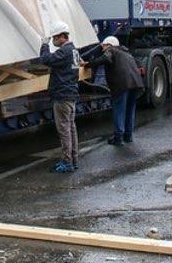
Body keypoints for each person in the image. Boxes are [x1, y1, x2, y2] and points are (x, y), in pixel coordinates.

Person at [39, 20, 82, 173]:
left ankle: (67, 161)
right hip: (70, 93)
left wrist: (44, 45)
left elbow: (45, 60)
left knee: (64, 130)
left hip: (62, 95)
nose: (54, 41)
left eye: (55, 38)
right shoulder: (75, 51)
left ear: (62, 36)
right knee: (71, 128)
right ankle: (74, 159)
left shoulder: (64, 51)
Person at [87, 36, 144, 145]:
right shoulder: (126, 53)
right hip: (136, 84)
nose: (102, 48)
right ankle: (128, 136)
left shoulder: (111, 51)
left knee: (119, 110)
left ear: (110, 45)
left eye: (104, 45)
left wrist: (89, 64)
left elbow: (105, 58)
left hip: (122, 85)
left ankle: (118, 138)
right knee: (129, 110)